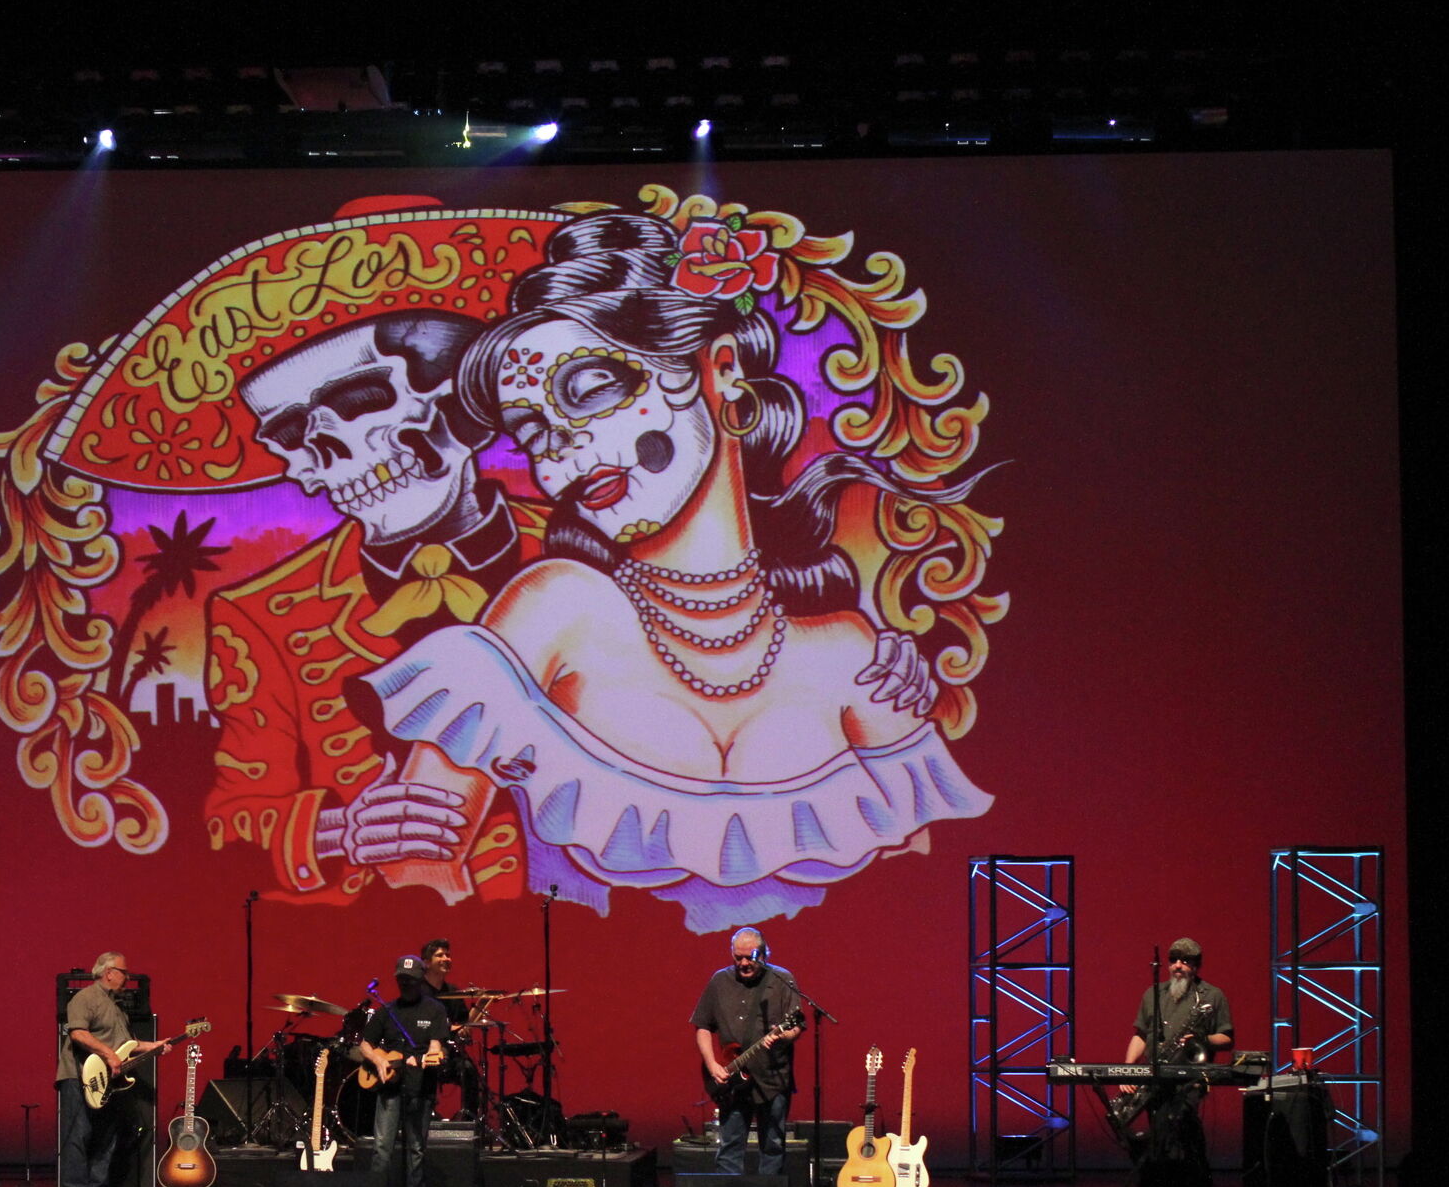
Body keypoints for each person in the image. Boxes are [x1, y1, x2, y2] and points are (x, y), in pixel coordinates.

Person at [358, 209, 992, 933]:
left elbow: (922, 895)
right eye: (533, 433)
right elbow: (413, 869)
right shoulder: (553, 610)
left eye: (589, 392)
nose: (562, 455)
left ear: (719, 370)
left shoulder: (852, 654)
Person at [202, 304, 551, 906]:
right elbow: (228, 823)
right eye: (291, 435)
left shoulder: (591, 558)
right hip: (370, 938)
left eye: (362, 401)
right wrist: (343, 830)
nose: (326, 450)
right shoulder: (262, 613)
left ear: (463, 408)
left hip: (577, 933)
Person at [1120, 937, 1232, 1187]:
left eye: (1185, 960)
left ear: (1196, 965)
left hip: (1190, 1079)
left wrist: (1203, 1040)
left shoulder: (1212, 996)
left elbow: (1226, 1038)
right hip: (1156, 1076)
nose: (1178, 965)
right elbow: (1140, 1034)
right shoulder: (1152, 994)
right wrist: (1129, 1069)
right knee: (1161, 1134)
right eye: (1173, 960)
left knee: (1177, 1124)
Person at [54, 952, 161, 1187]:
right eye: (124, 972)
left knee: (107, 1135)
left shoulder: (117, 1006)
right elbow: (78, 1033)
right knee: (78, 1133)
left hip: (108, 1082)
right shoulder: (85, 997)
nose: (127, 977)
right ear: (109, 972)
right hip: (79, 1075)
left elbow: (127, 1046)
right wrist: (109, 1055)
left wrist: (156, 1046)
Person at [692, 927, 804, 1174]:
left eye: (749, 957)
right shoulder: (720, 981)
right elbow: (702, 1027)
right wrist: (712, 1065)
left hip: (772, 1079)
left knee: (773, 1146)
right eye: (737, 957)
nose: (743, 963)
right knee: (730, 1148)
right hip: (732, 1081)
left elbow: (796, 1028)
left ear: (764, 954)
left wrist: (782, 1036)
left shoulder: (783, 980)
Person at [358, 954, 452, 1187]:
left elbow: (436, 1046)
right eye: (401, 980)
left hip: (420, 1087)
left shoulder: (434, 1010)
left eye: (410, 981)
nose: (405, 985)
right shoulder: (386, 1010)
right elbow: (366, 1043)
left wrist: (429, 1057)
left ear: (421, 979)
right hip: (390, 1087)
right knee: (382, 1147)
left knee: (416, 1147)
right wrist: (379, 1060)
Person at [420, 938, 486, 1119]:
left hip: (450, 1051)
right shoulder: (418, 992)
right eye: (440, 955)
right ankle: (426, 1116)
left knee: (470, 1072)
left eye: (448, 955)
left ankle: (469, 1120)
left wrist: (482, 1003)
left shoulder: (453, 991)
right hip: (422, 1052)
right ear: (426, 962)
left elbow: (464, 1024)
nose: (446, 958)